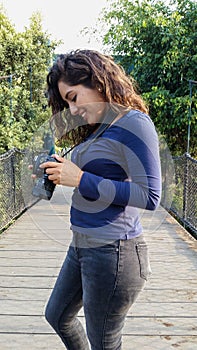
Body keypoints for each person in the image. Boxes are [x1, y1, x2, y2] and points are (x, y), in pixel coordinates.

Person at [40, 49, 161, 350]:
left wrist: (80, 179)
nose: (72, 109)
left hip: (114, 253)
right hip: (82, 243)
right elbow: (94, 176)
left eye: (73, 97)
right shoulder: (96, 129)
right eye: (65, 102)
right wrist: (58, 170)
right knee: (57, 315)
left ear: (96, 82)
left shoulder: (134, 123)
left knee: (104, 343)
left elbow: (149, 196)